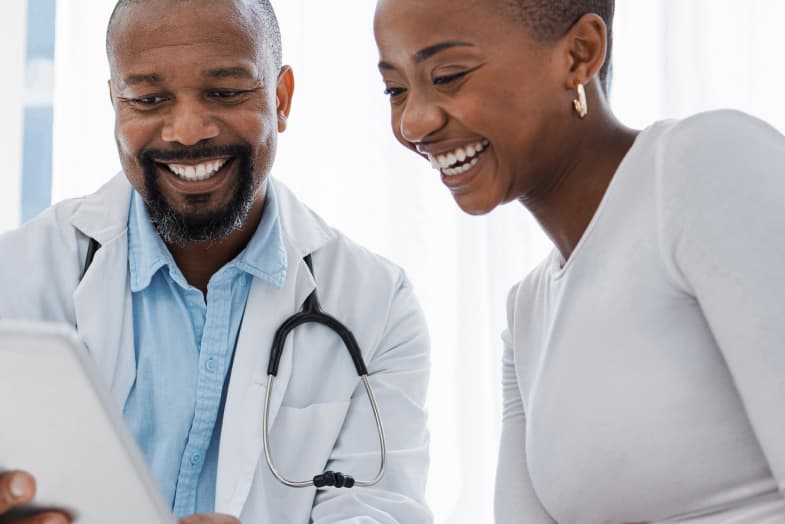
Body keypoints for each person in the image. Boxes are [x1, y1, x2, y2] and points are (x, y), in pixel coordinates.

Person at [0, 1, 432, 523]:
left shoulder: (376, 304)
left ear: (281, 97)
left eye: (225, 92)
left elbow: (378, 509)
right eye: (148, 98)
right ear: (116, 104)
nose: (186, 130)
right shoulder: (21, 273)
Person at [374, 0, 785, 522]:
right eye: (396, 90)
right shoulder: (526, 315)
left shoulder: (703, 165)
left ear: (579, 54)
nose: (415, 121)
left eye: (448, 76)